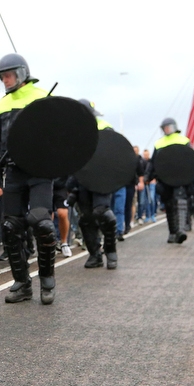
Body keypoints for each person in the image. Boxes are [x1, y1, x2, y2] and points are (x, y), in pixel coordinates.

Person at [0, 54, 57, 304]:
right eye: (2, 77)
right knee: (10, 228)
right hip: (14, 172)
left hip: (40, 171)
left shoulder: (42, 97)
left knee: (42, 223)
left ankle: (47, 279)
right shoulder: (3, 104)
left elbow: (59, 135)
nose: (5, 80)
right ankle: (22, 283)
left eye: (8, 75)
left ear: (21, 73)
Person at [70, 100, 118, 269]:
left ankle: (111, 252)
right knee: (86, 220)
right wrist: (71, 185)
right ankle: (95, 255)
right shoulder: (76, 133)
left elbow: (114, 152)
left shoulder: (104, 127)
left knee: (103, 213)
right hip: (83, 181)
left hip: (102, 180)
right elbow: (73, 160)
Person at [145, 117, 194, 245]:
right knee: (169, 205)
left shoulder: (184, 141)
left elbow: (191, 159)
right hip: (165, 179)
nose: (166, 130)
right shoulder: (159, 143)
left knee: (181, 201)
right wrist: (147, 176)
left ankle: (181, 230)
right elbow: (153, 162)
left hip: (181, 179)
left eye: (168, 127)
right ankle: (172, 232)